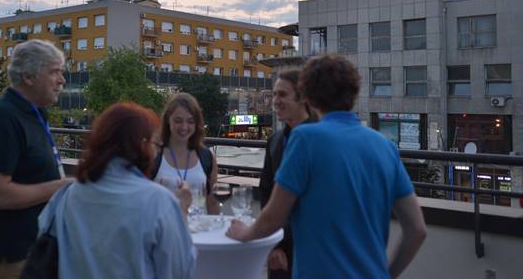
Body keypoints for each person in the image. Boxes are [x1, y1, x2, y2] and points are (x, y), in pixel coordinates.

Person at [228, 55, 427, 279]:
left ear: (309, 98)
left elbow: (274, 217)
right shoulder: (384, 146)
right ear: (353, 93)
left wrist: (245, 233)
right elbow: (417, 229)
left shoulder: (305, 138)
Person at [38, 102, 196, 279]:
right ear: (142, 145)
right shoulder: (159, 202)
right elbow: (180, 270)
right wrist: (181, 211)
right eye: (154, 144)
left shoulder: (67, 196)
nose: (155, 151)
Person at [0, 39, 71, 279]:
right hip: (12, 256)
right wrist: (60, 187)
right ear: (28, 77)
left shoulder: (33, 113)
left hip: (35, 249)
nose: (62, 80)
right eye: (54, 72)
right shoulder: (3, 118)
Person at [260, 70, 316, 279]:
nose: (275, 101)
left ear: (302, 98)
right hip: (280, 252)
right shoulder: (274, 141)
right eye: (274, 94)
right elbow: (266, 193)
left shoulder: (322, 139)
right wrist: (273, 245)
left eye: (282, 95)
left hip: (313, 249)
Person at [153, 92, 219, 214]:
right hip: (165, 231)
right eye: (178, 121)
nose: (184, 127)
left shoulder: (207, 157)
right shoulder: (154, 155)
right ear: (168, 120)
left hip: (200, 231)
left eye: (190, 121)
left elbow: (212, 202)